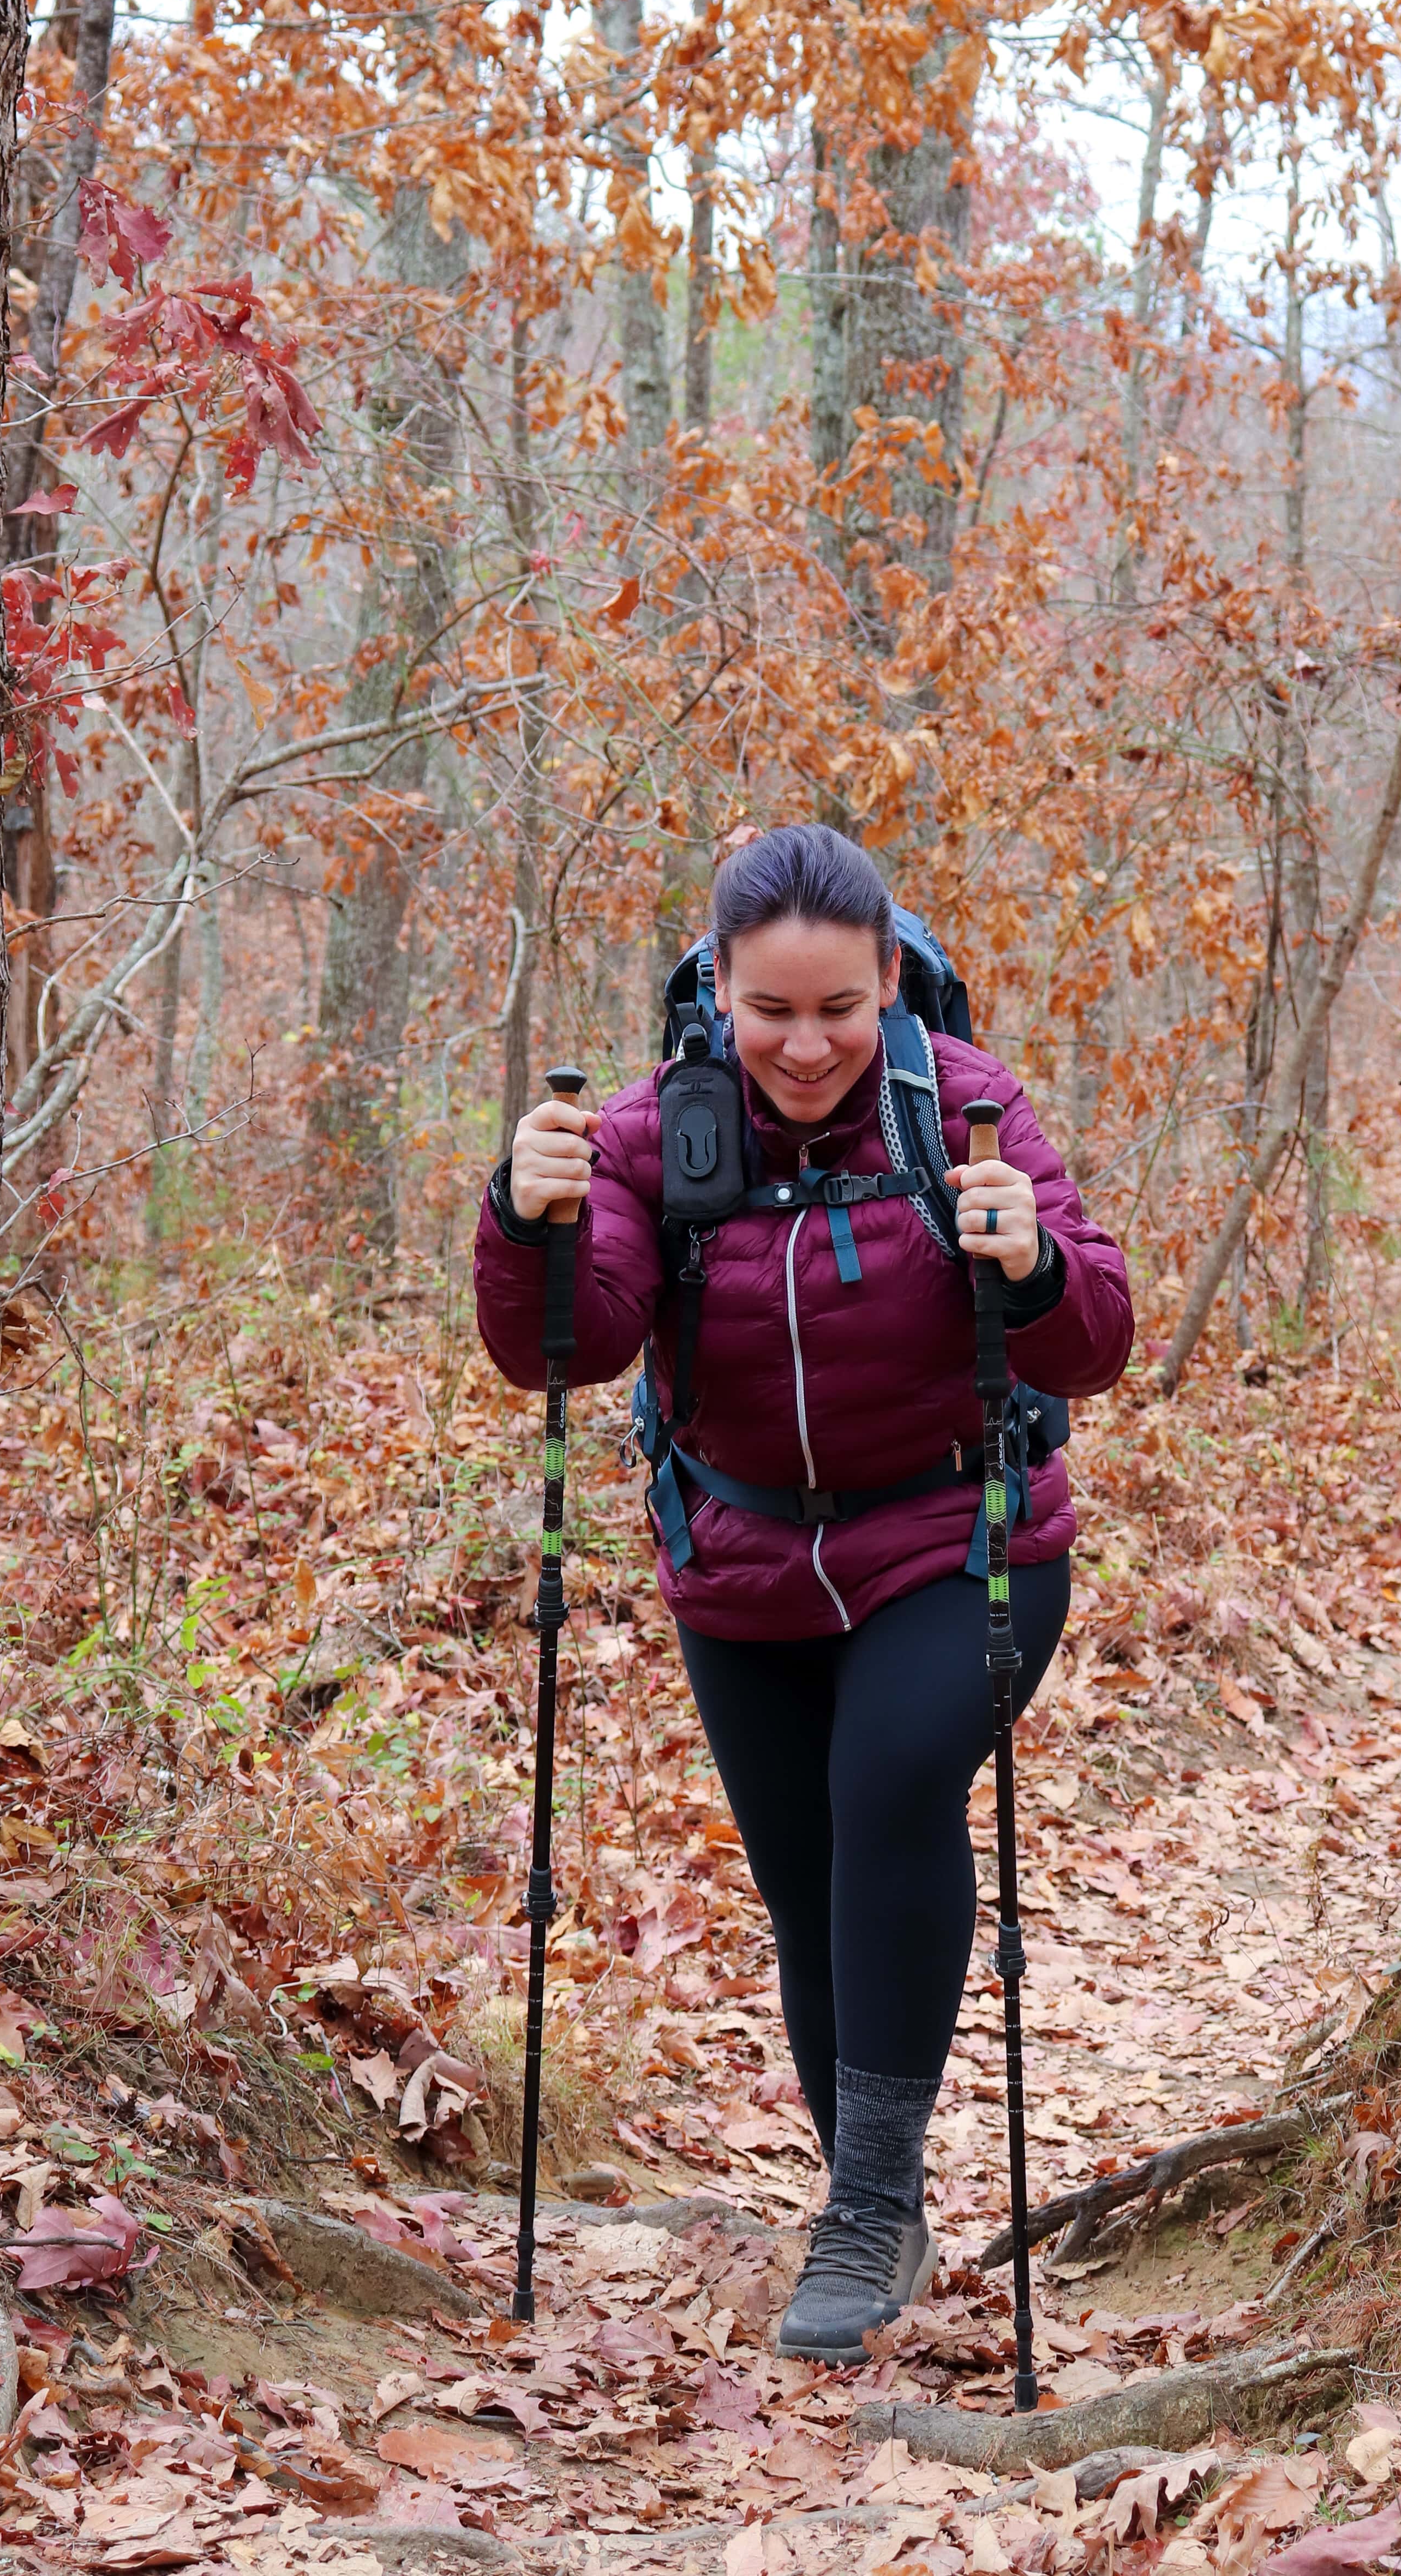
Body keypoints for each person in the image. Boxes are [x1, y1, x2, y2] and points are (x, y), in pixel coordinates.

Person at [473, 823, 1134, 2361]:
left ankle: (867, 2206)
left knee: (890, 1790)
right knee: (805, 1884)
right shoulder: (649, 1136)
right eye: (772, 1010)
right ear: (719, 988)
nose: (808, 1044)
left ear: (888, 979)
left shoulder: (963, 1114)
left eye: (840, 1006)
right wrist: (527, 1220)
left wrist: (1031, 1265)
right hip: (747, 1560)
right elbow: (568, 1353)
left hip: (959, 1541)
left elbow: (1093, 1342)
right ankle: (873, 2196)